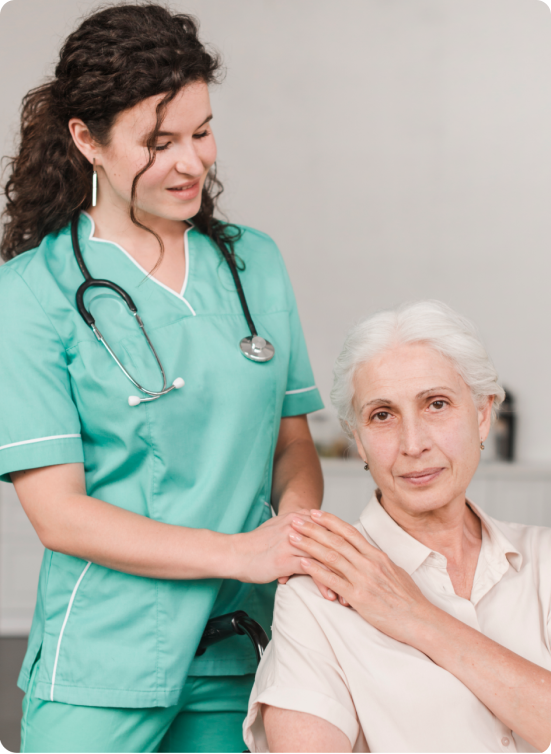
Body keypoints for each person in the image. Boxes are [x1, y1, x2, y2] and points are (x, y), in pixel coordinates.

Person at [0, 5, 328, 753]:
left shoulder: (253, 263)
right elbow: (61, 516)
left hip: (239, 652)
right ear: (87, 139)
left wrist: (292, 537)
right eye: (158, 142)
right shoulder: (30, 292)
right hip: (104, 663)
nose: (192, 163)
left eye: (201, 131)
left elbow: (290, 450)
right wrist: (241, 551)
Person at [244, 300, 551, 754]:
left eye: (437, 404)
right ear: (359, 441)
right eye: (382, 415)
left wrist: (417, 617)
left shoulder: (544, 558)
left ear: (484, 414)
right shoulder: (316, 594)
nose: (413, 444)